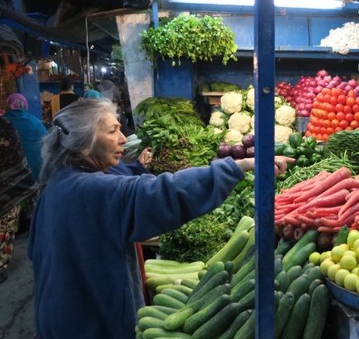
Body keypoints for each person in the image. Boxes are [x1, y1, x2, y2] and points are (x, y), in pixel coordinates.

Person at [27, 99, 292, 337]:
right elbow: (161, 193)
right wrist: (240, 166)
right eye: (112, 131)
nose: (123, 139)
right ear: (84, 144)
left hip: (58, 315)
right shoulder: (90, 191)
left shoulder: (59, 182)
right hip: (87, 324)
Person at [0, 117, 37, 283]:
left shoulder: (4, 125)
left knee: (6, 223)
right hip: (15, 183)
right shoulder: (6, 123)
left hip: (11, 184)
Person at [3, 93, 47, 181]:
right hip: (39, 172)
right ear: (25, 105)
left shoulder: (4, 123)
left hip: (13, 177)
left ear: (9, 105)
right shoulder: (36, 122)